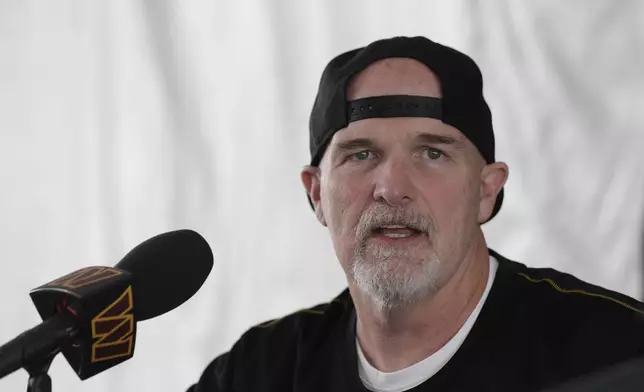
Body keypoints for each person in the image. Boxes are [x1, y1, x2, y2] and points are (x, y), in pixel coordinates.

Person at [187, 36, 644, 392]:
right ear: (316, 194)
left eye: (432, 153)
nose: (392, 189)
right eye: (361, 155)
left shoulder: (617, 356)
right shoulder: (258, 373)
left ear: (486, 191)